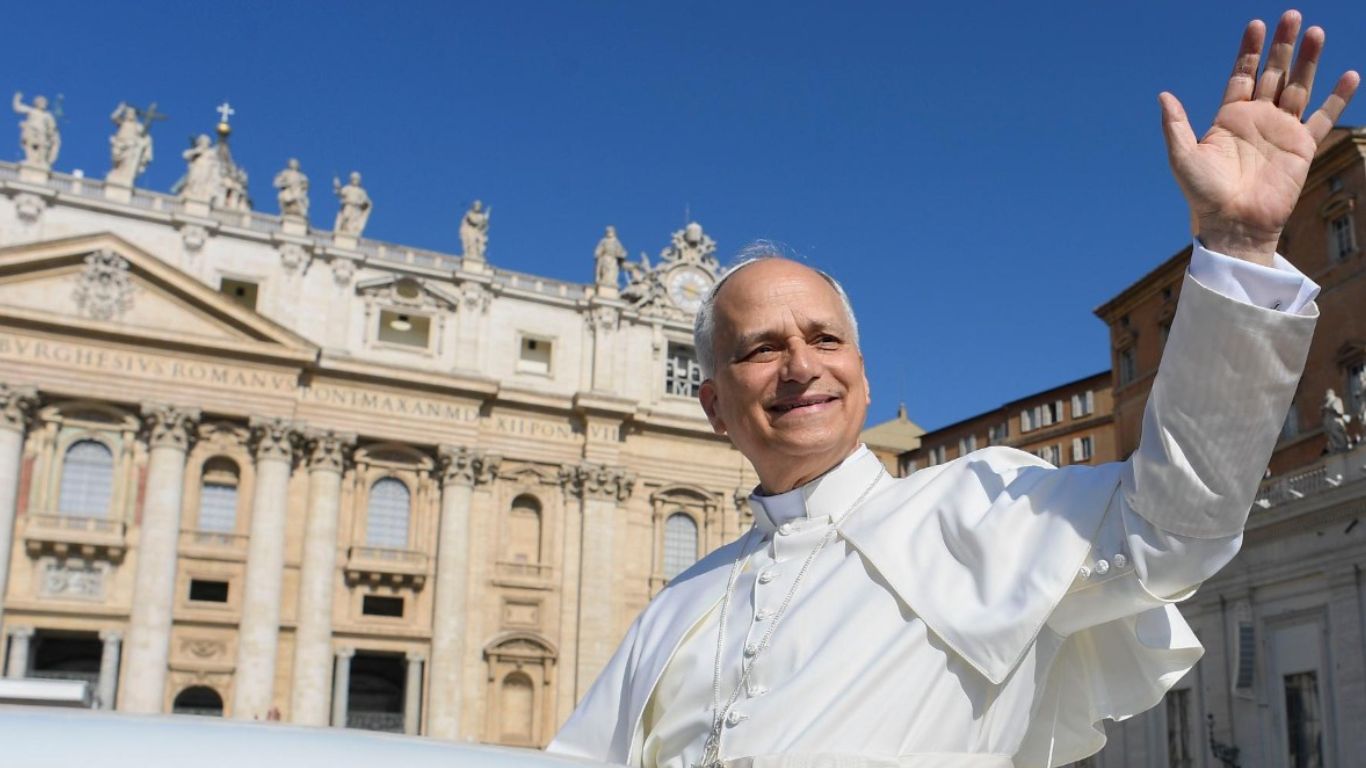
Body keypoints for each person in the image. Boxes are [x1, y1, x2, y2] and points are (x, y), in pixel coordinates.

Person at [548, 11, 1358, 768]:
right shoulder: (674, 610)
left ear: (862, 379)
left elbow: (1175, 525)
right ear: (714, 407)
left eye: (825, 339)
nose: (800, 366)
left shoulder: (983, 507)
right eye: (761, 349)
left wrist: (1238, 243)